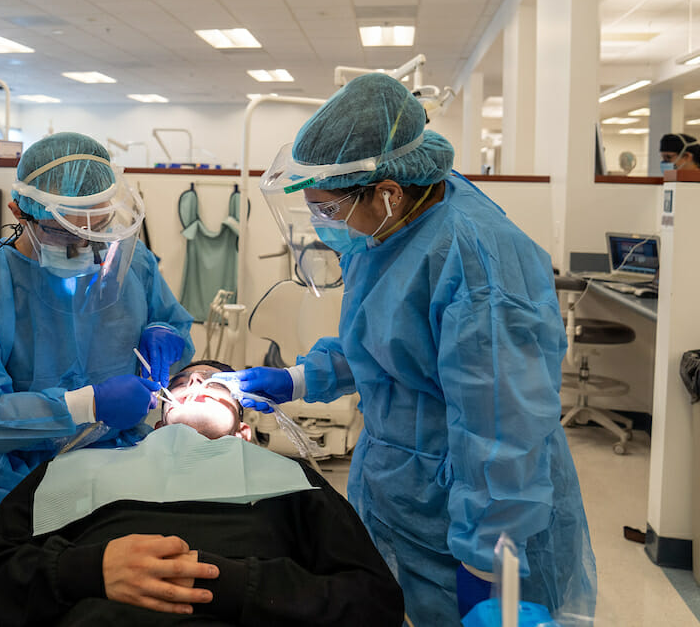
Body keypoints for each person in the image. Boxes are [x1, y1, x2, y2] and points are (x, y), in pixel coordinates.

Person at [219, 73, 596, 626]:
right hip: (403, 486)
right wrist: (296, 380)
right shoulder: (389, 229)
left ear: (386, 192)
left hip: (477, 512)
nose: (323, 225)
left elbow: (502, 431)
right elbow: (387, 342)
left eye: (326, 210)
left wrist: (489, 564)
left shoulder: (478, 264)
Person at [0, 360, 405, 627]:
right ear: (156, 422)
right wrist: (88, 570)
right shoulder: (80, 469)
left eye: (218, 385)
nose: (196, 384)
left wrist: (233, 585)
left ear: (245, 432)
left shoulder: (288, 481)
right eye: (184, 382)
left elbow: (373, 602)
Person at [0, 132, 195, 540]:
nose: (86, 247)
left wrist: (165, 334)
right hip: (23, 498)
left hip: (124, 487)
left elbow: (174, 325)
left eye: (98, 228)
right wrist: (83, 405)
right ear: (19, 211)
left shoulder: (130, 264)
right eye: (66, 233)